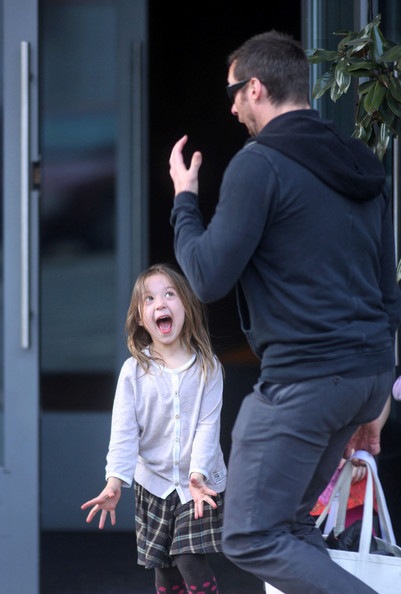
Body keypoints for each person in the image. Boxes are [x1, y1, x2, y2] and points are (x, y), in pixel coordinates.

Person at [168, 30, 401, 594]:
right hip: (363, 374)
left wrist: (184, 199)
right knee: (291, 525)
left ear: (255, 88)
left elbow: (206, 277)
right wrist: (377, 395)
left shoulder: (260, 164)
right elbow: (386, 289)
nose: (231, 108)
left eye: (233, 93)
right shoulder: (360, 162)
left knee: (251, 535)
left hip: (305, 381)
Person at [81, 263, 226, 594]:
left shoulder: (208, 367)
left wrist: (198, 474)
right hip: (154, 485)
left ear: (186, 307)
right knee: (165, 571)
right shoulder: (134, 371)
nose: (160, 303)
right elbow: (124, 433)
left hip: (197, 485)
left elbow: (208, 425)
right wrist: (115, 481)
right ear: (139, 318)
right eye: (149, 299)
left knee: (188, 559)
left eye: (170, 294)